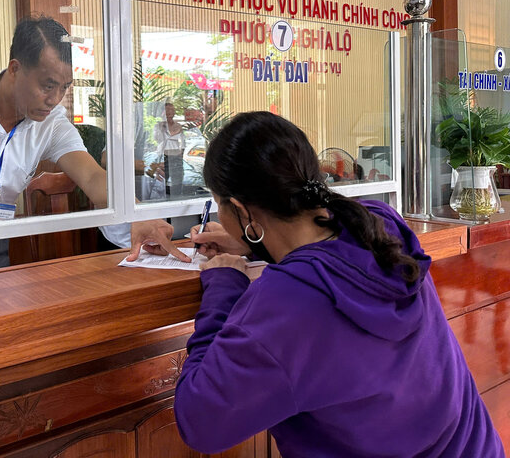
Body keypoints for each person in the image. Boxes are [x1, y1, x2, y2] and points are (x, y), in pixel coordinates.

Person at [174, 112, 503, 457]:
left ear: (241, 210)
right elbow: (326, 260)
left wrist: (224, 284)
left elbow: (200, 423)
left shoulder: (285, 303)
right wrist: (254, 243)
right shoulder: (379, 225)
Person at [0, 16, 178, 280]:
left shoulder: (51, 121)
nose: (55, 99)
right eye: (47, 86)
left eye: (64, 88)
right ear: (15, 69)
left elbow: (92, 176)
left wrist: (138, 214)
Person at [153, 99, 185, 198]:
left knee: (177, 183)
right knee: (162, 182)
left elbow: (183, 143)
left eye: (172, 110)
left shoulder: (178, 126)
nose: (170, 112)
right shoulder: (159, 126)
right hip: (164, 157)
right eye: (167, 110)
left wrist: (181, 156)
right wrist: (162, 129)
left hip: (177, 158)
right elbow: (157, 139)